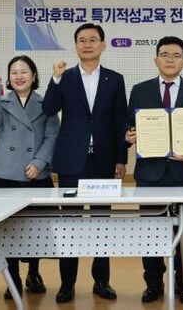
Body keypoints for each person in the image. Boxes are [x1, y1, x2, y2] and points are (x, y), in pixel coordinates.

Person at [42, 23, 128, 303]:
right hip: (72, 161)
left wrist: (121, 158)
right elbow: (49, 108)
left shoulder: (115, 79)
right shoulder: (64, 78)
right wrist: (54, 79)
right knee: (70, 221)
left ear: (103, 44)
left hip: (103, 160)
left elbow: (120, 120)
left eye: (93, 40)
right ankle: (67, 284)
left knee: (102, 221)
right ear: (76, 45)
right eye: (82, 40)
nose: (87, 44)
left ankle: (101, 281)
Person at [126, 36, 183, 303]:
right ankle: (153, 283)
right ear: (156, 60)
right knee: (150, 231)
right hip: (150, 174)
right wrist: (128, 135)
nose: (170, 60)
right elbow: (128, 125)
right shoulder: (140, 90)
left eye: (176, 56)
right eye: (165, 55)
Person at [0, 55, 59, 299]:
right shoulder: (0, 100)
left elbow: (52, 136)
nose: (19, 76)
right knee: (6, 230)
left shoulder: (46, 103)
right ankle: (12, 276)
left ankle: (34, 272)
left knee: (38, 229)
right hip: (3, 174)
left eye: (24, 71)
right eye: (14, 72)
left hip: (35, 174)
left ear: (33, 76)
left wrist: (39, 162)